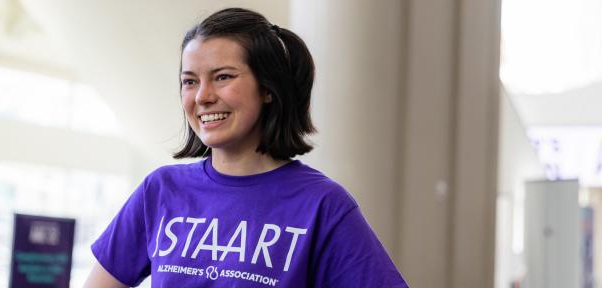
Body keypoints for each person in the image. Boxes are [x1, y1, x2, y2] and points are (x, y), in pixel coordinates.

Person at [85, 7, 408, 288]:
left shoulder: (322, 205)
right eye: (190, 81)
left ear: (267, 88)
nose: (202, 97)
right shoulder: (160, 191)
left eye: (223, 77)